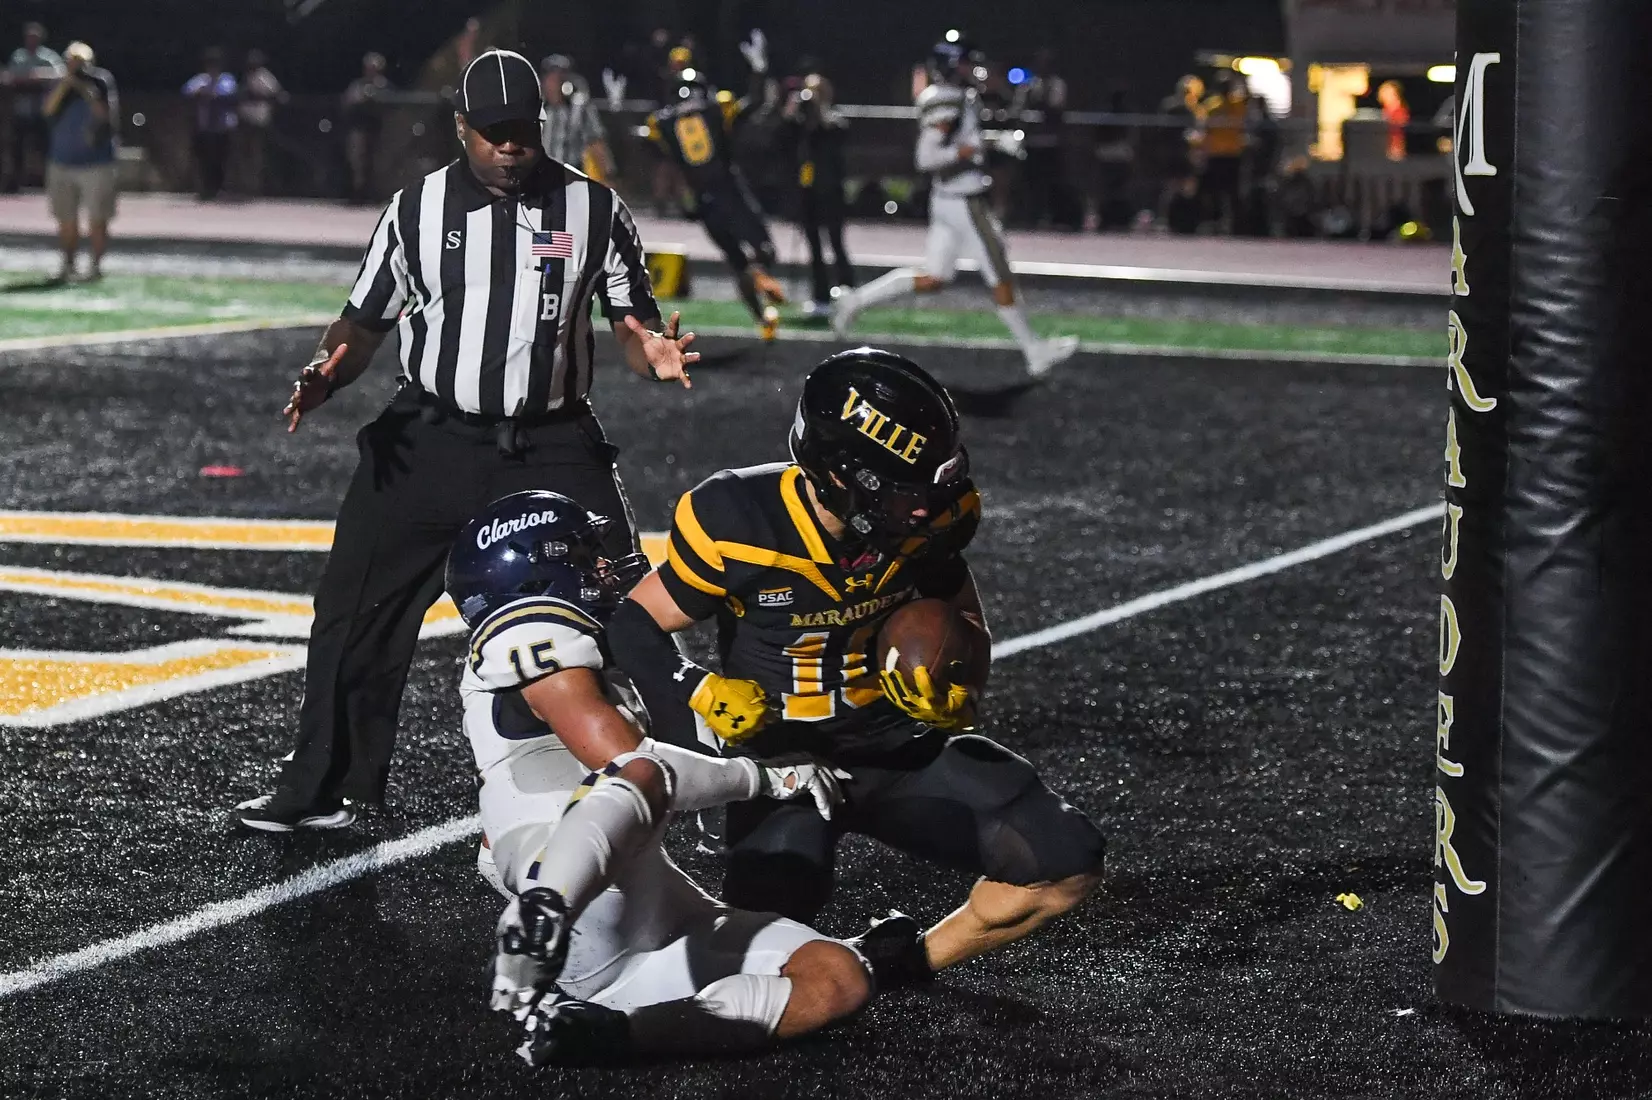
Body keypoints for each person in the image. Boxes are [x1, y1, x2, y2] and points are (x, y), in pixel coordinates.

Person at [233, 49, 697, 832]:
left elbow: (630, 316)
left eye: (521, 131)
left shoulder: (592, 209)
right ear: (460, 128)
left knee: (626, 601)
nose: (508, 146)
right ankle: (322, 785)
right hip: (431, 437)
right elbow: (364, 320)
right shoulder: (415, 208)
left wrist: (650, 351)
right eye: (491, 133)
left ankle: (689, 775)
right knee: (354, 610)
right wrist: (326, 370)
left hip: (552, 441)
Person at [606, 348, 1107, 990]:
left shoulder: (925, 528)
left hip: (896, 751)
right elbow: (633, 625)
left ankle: (901, 963)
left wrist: (961, 686)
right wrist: (698, 690)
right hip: (784, 765)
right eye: (906, 491)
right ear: (841, 475)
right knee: (757, 960)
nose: (927, 508)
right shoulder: (741, 519)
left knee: (1064, 861)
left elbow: (965, 625)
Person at [446, 490, 870, 1066]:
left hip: (650, 902)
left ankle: (602, 1034)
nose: (603, 563)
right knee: (638, 768)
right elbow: (642, 770)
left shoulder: (582, 643)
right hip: (576, 894)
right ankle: (541, 914)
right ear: (536, 576)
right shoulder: (531, 634)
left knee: (839, 977)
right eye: (581, 553)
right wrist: (762, 778)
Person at [832, 37, 1077, 379]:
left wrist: (989, 142)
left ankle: (855, 301)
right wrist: (972, 150)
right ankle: (1034, 351)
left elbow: (960, 141)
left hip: (948, 200)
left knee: (934, 277)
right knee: (1000, 275)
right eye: (963, 62)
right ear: (950, 65)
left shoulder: (955, 97)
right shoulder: (946, 99)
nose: (970, 68)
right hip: (965, 202)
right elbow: (927, 157)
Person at [644, 34, 787, 341]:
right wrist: (759, 72)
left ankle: (762, 318)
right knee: (764, 251)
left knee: (737, 263)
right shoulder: (715, 107)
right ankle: (762, 279)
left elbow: (655, 150)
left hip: (703, 203)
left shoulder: (663, 122)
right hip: (730, 192)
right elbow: (754, 105)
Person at [782, 67, 854, 317]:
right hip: (808, 191)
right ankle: (820, 294)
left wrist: (818, 113)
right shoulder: (801, 124)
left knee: (836, 243)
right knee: (814, 246)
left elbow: (835, 134)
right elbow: (782, 137)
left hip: (830, 190)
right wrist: (791, 112)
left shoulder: (834, 121)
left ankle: (849, 291)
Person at [42, 42, 117, 283]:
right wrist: (66, 84)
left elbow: (104, 115)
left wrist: (84, 88)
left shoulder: (101, 82)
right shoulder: (59, 82)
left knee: (97, 217)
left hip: (96, 161)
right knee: (66, 218)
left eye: (80, 62)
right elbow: (48, 109)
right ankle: (68, 264)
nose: (75, 67)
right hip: (62, 160)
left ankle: (95, 266)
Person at [1010, 48, 1069, 229]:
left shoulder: (1057, 84)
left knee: (1051, 181)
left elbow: (1056, 109)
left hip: (1050, 141)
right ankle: (1030, 215)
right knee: (1029, 180)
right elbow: (1018, 109)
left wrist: (1041, 103)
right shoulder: (1027, 85)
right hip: (1031, 142)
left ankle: (1051, 215)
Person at [3, 23, 62, 192]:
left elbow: (60, 74)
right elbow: (10, 75)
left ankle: (49, 182)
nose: (31, 40)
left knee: (45, 147)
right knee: (17, 147)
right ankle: (15, 182)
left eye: (35, 37)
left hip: (42, 110)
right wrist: (24, 79)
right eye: (29, 37)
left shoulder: (48, 57)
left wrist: (38, 75)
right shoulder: (19, 56)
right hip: (22, 109)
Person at [538, 54, 614, 183]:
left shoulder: (580, 106)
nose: (556, 82)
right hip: (541, 175)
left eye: (561, 77)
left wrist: (607, 175)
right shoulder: (536, 107)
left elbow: (596, 142)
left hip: (572, 176)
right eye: (552, 78)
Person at [182, 48, 237, 201]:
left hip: (222, 127)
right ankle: (205, 189)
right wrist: (201, 92)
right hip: (204, 126)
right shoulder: (201, 79)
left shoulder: (227, 79)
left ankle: (219, 189)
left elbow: (228, 93)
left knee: (220, 159)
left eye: (215, 65)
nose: (212, 68)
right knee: (204, 158)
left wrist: (211, 94)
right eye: (210, 65)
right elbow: (186, 90)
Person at [1201, 74, 1248, 233]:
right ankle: (1217, 222)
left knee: (1231, 191)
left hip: (1230, 154)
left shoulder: (1237, 104)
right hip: (1219, 154)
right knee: (1218, 191)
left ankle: (1234, 224)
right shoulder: (1212, 106)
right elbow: (1206, 130)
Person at [341, 52, 390, 204]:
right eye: (369, 68)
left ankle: (376, 193)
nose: (371, 71)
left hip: (379, 129)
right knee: (357, 161)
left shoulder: (384, 86)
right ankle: (358, 193)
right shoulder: (358, 85)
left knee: (378, 161)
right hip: (359, 128)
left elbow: (392, 106)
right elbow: (347, 103)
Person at [236, 49, 285, 196]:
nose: (252, 64)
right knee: (245, 155)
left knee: (256, 155)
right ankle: (245, 185)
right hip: (245, 121)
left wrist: (261, 99)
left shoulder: (265, 77)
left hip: (258, 121)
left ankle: (255, 187)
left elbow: (278, 95)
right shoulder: (246, 77)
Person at [1377, 79, 1410, 162]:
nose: (1382, 95)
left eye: (1386, 92)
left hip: (1395, 149)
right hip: (1383, 148)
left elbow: (1398, 130)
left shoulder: (1399, 111)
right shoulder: (1385, 110)